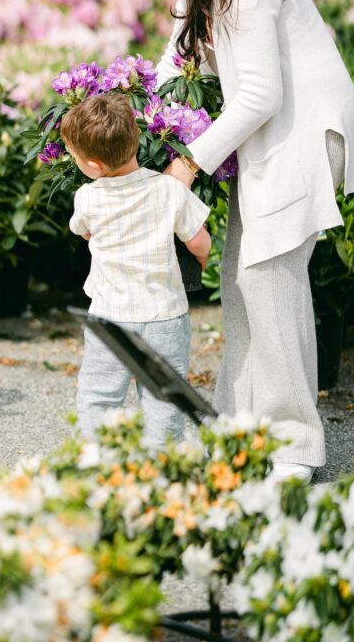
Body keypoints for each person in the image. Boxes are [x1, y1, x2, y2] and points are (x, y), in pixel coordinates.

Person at [128, 0, 354, 482]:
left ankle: (294, 447)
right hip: (269, 140)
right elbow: (179, 54)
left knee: (269, 283)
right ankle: (239, 428)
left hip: (301, 138)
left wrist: (188, 163)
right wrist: (132, 102)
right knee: (242, 281)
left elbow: (261, 95)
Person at [61, 91, 211, 449]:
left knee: (98, 397)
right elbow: (200, 243)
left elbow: (84, 231)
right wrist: (198, 266)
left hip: (109, 318)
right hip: (165, 316)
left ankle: (96, 463)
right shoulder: (168, 190)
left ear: (94, 166)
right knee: (164, 403)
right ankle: (163, 468)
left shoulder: (88, 197)